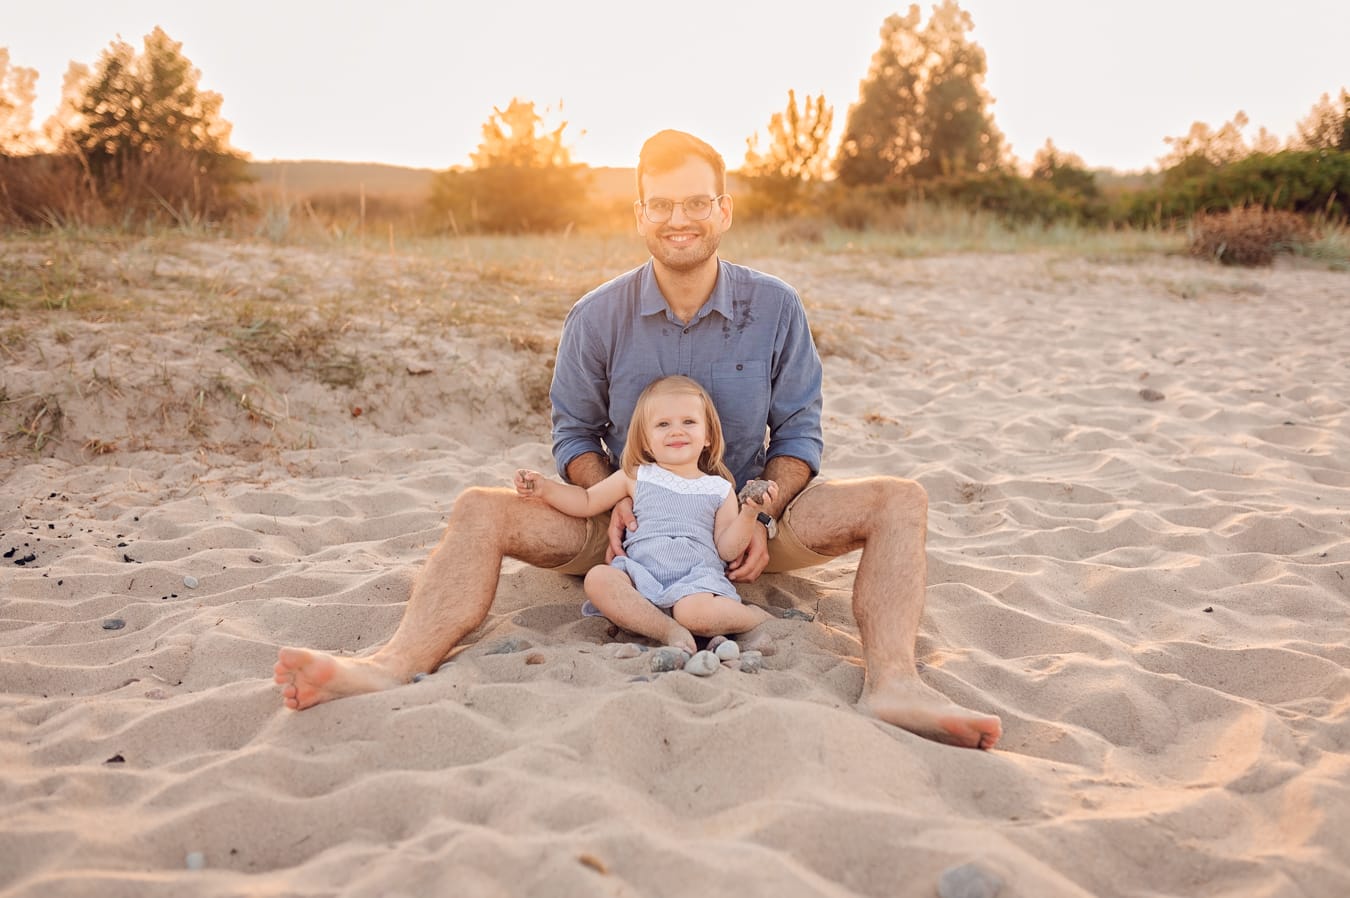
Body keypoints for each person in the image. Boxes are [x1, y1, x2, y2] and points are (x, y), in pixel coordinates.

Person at [275, 128, 1002, 750]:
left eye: (694, 202)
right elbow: (572, 430)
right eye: (662, 204)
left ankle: (895, 686)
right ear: (639, 214)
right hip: (620, 524)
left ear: (723, 210)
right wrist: (610, 499)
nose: (678, 218)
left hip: (743, 520)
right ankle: (393, 662)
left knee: (900, 500)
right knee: (478, 507)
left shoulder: (775, 307)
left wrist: (764, 509)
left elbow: (802, 430)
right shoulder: (596, 316)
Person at [515, 374, 778, 655]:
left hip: (695, 581)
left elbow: (727, 549)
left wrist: (749, 515)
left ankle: (756, 618)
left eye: (689, 422)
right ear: (646, 441)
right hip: (640, 576)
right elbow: (587, 500)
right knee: (598, 578)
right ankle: (668, 630)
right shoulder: (636, 476)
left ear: (708, 436)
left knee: (695, 614)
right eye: (663, 424)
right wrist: (545, 488)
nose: (676, 431)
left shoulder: (718, 489)